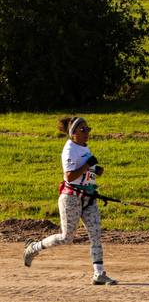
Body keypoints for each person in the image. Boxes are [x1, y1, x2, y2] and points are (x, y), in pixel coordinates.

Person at [22, 116, 117, 285]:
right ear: (73, 134)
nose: (87, 132)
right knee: (67, 238)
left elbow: (86, 171)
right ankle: (33, 248)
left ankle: (99, 274)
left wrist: (95, 170)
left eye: (89, 129)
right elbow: (70, 176)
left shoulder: (83, 147)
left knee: (96, 234)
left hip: (88, 198)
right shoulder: (69, 149)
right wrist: (88, 165)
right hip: (71, 198)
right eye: (83, 130)